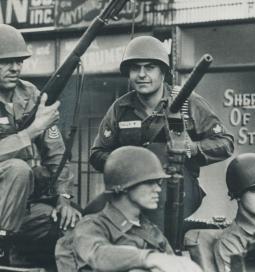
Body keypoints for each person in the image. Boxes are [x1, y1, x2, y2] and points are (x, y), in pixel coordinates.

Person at [89, 35, 234, 229]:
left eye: (149, 67)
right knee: (91, 220)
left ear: (163, 72)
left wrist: (192, 148)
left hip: (177, 191)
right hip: (131, 193)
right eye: (135, 68)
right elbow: (97, 154)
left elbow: (225, 143)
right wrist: (126, 165)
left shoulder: (187, 102)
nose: (141, 74)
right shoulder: (120, 108)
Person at [0, 24, 81, 266]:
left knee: (70, 225)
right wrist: (32, 130)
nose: (15, 68)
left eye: (19, 61)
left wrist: (64, 198)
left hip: (24, 207)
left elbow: (56, 152)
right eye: (5, 62)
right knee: (17, 169)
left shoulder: (31, 94)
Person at [56, 146, 203, 272]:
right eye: (149, 183)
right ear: (123, 186)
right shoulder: (92, 226)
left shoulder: (151, 231)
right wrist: (151, 258)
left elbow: (170, 263)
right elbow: (98, 255)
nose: (158, 189)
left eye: (158, 182)